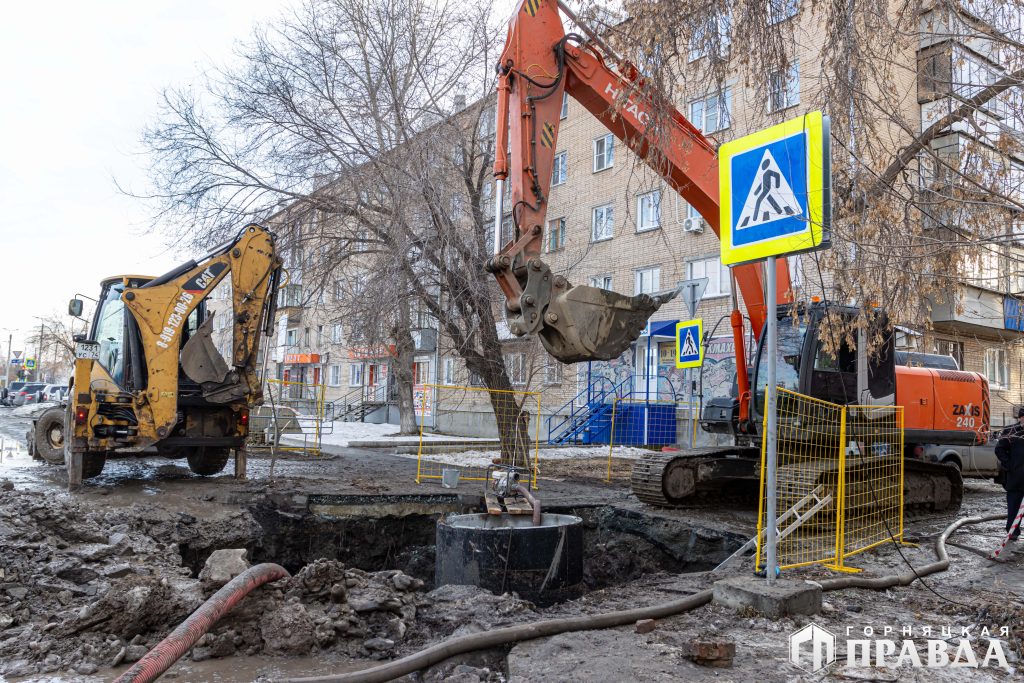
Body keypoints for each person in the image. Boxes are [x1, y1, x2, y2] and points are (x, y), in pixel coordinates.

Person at [994, 407, 1024, 541]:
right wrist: (1010, 465)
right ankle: (1012, 531)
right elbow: (999, 449)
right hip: (1016, 477)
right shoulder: (1012, 431)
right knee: (1014, 506)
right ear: (1020, 418)